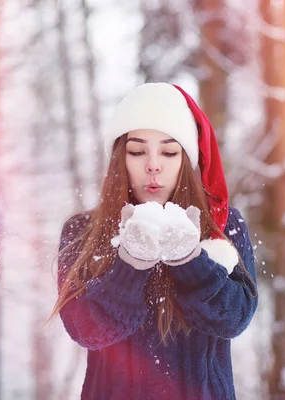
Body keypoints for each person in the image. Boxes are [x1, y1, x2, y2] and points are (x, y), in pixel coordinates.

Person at [49, 82, 258, 400]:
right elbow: (86, 330)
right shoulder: (83, 231)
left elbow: (234, 318)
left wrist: (192, 262)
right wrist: (129, 266)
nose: (153, 165)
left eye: (169, 151)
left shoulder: (224, 225)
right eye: (137, 151)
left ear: (187, 159)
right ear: (120, 157)